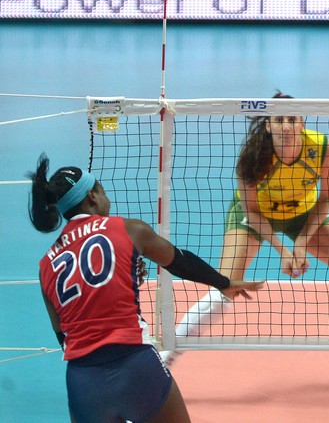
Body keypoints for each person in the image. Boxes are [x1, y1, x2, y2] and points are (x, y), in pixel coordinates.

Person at [162, 91, 329, 391]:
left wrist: (301, 243)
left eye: (292, 119)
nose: (286, 126)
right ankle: (165, 358)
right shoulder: (253, 158)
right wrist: (282, 250)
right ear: (269, 125)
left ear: (302, 123)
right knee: (225, 286)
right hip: (255, 216)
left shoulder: (325, 150)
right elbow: (250, 211)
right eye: (279, 120)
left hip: (304, 214)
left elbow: (326, 198)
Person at [29, 153, 264, 423]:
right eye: (102, 190)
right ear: (93, 196)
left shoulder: (46, 264)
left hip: (83, 382)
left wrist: (124, 277)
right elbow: (179, 261)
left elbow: (64, 336)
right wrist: (223, 283)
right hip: (135, 365)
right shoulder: (128, 229)